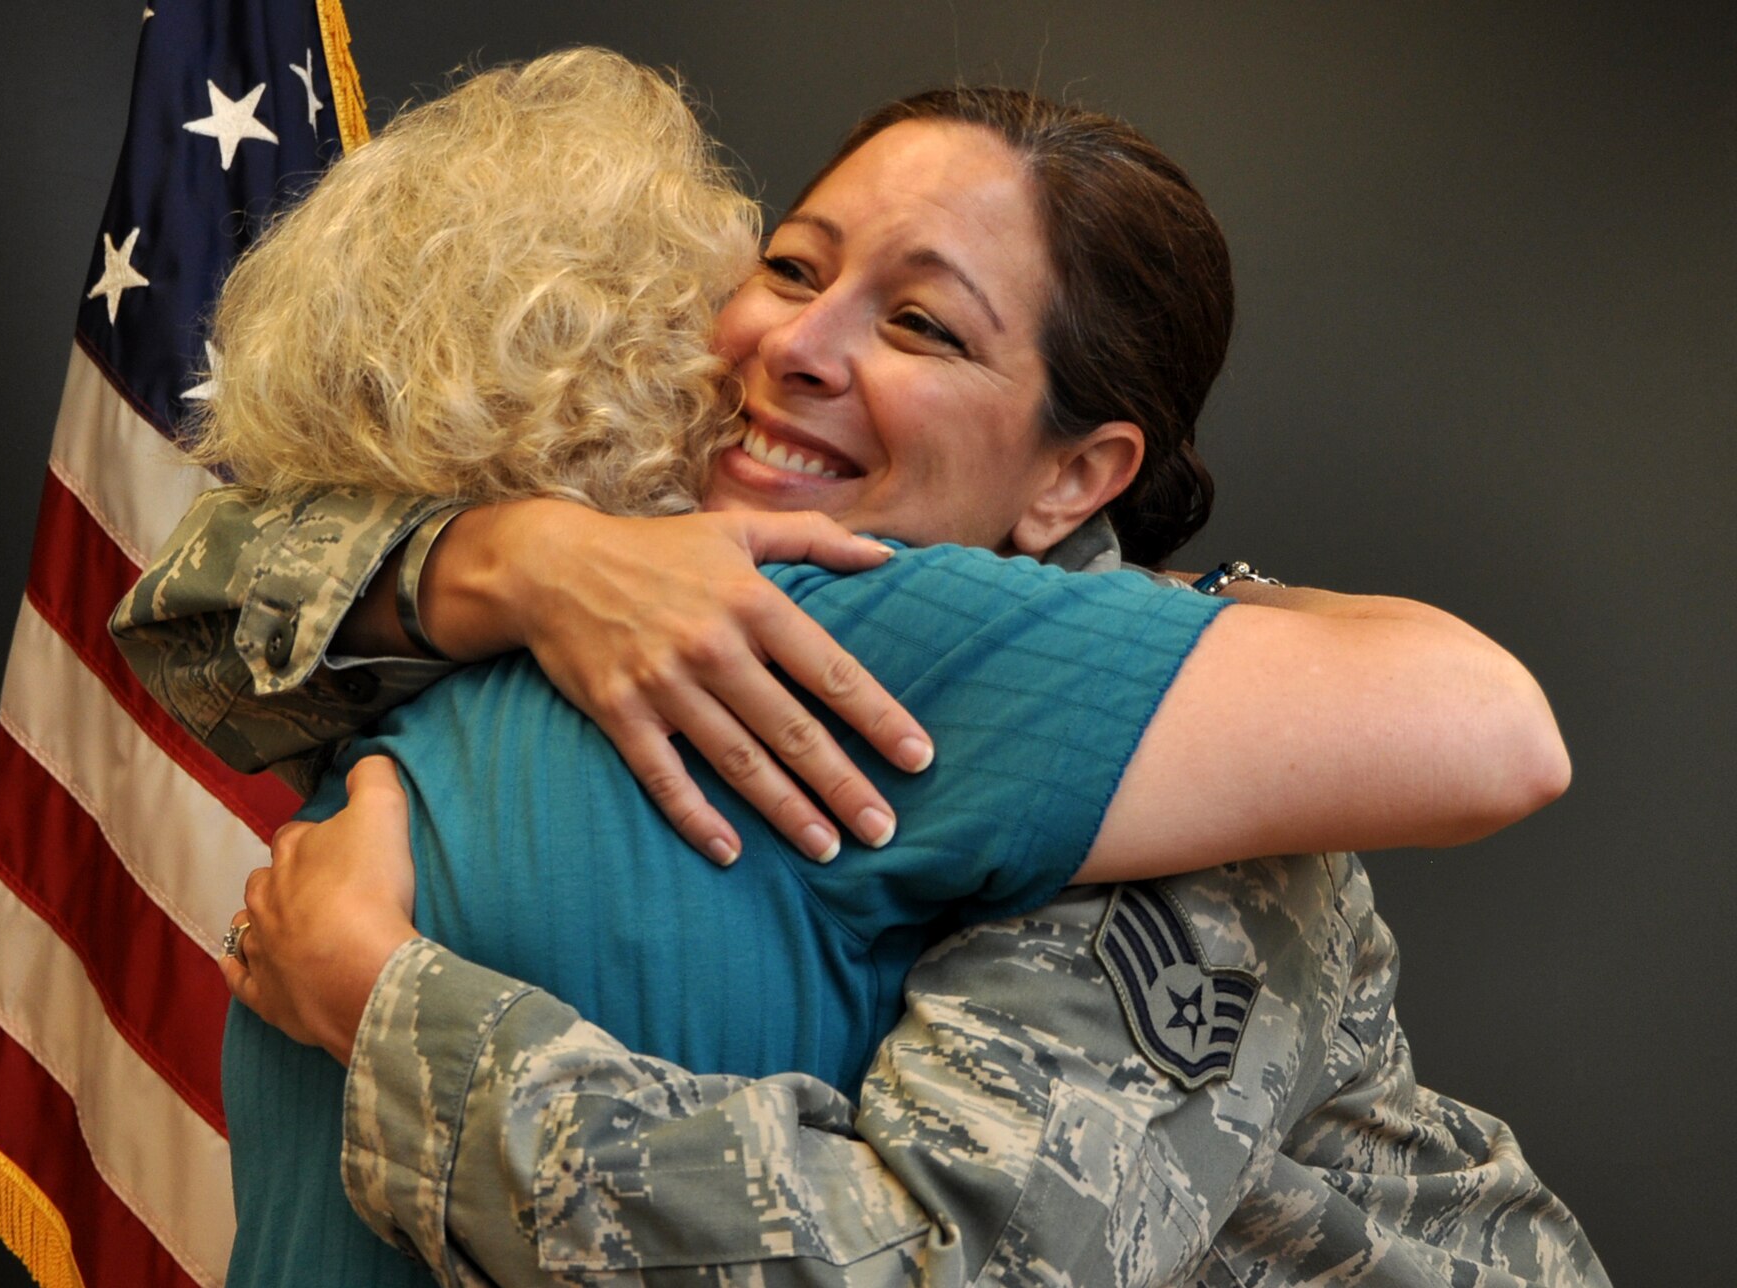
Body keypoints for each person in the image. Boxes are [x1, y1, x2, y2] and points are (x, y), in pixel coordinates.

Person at [114, 52, 1604, 1287]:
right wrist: (520, 558)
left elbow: (936, 1270)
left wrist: (384, 1004)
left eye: (920, 325)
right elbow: (193, 624)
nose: (792, 347)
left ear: (1071, 477)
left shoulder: (1198, 787)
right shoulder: (651, 577)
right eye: (790, 266)